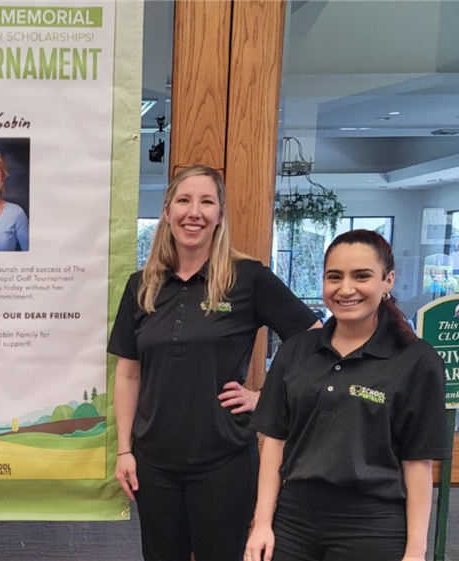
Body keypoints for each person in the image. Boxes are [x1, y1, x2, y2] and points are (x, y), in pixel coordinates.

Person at [108, 165, 319, 561]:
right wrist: (124, 450)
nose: (194, 212)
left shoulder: (248, 278)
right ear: (167, 211)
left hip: (224, 461)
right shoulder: (142, 286)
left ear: (220, 214)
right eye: (184, 201)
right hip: (154, 462)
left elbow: (314, 339)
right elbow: (128, 374)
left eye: (207, 202)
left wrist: (264, 398)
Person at [246, 230, 451, 561]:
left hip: (372, 527)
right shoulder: (295, 351)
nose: (345, 289)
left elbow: (417, 463)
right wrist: (262, 523)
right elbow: (275, 444)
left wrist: (416, 551)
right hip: (293, 521)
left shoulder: (417, 360)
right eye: (334, 277)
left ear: (388, 281)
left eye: (361, 276)